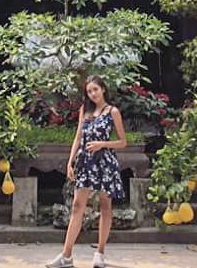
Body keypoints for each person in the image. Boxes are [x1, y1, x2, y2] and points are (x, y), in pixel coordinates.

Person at [47, 75, 127, 268]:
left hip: (105, 163)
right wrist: (70, 161)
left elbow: (123, 142)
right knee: (77, 206)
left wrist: (103, 144)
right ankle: (66, 256)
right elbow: (77, 137)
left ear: (103, 89)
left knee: (105, 207)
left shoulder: (112, 111)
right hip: (85, 162)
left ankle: (99, 254)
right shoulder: (86, 110)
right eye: (89, 91)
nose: (92, 94)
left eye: (95, 90)